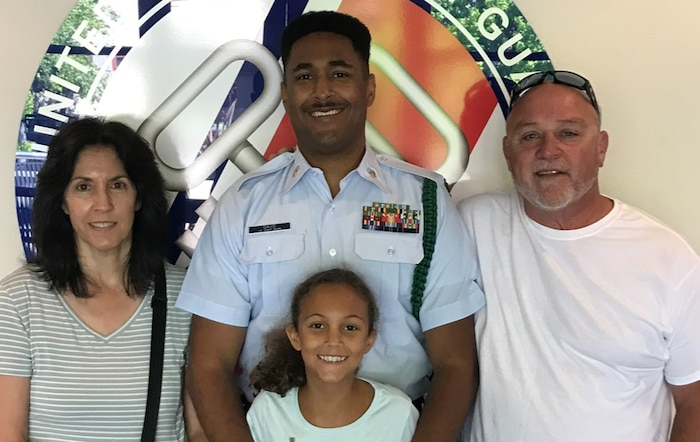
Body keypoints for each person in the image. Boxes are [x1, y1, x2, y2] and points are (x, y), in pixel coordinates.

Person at [176, 10, 485, 442]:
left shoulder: (426, 201)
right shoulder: (243, 205)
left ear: (369, 86)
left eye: (339, 73)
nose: (322, 91)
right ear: (284, 94)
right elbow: (208, 366)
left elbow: (456, 364)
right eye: (304, 77)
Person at [457, 70, 700, 441]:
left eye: (568, 133)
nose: (548, 150)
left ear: (601, 148)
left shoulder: (669, 259)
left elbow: (694, 399)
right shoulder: (473, 223)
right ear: (508, 153)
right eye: (530, 135)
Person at [0, 118, 205, 441]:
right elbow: (8, 434)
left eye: (117, 184)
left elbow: (199, 430)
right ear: (63, 202)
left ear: (138, 197)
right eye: (83, 187)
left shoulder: (186, 296)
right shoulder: (17, 302)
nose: (103, 204)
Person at [246, 268, 418, 441]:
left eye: (350, 328)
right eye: (318, 326)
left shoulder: (397, 414)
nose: (334, 340)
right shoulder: (269, 412)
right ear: (295, 337)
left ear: (369, 341)